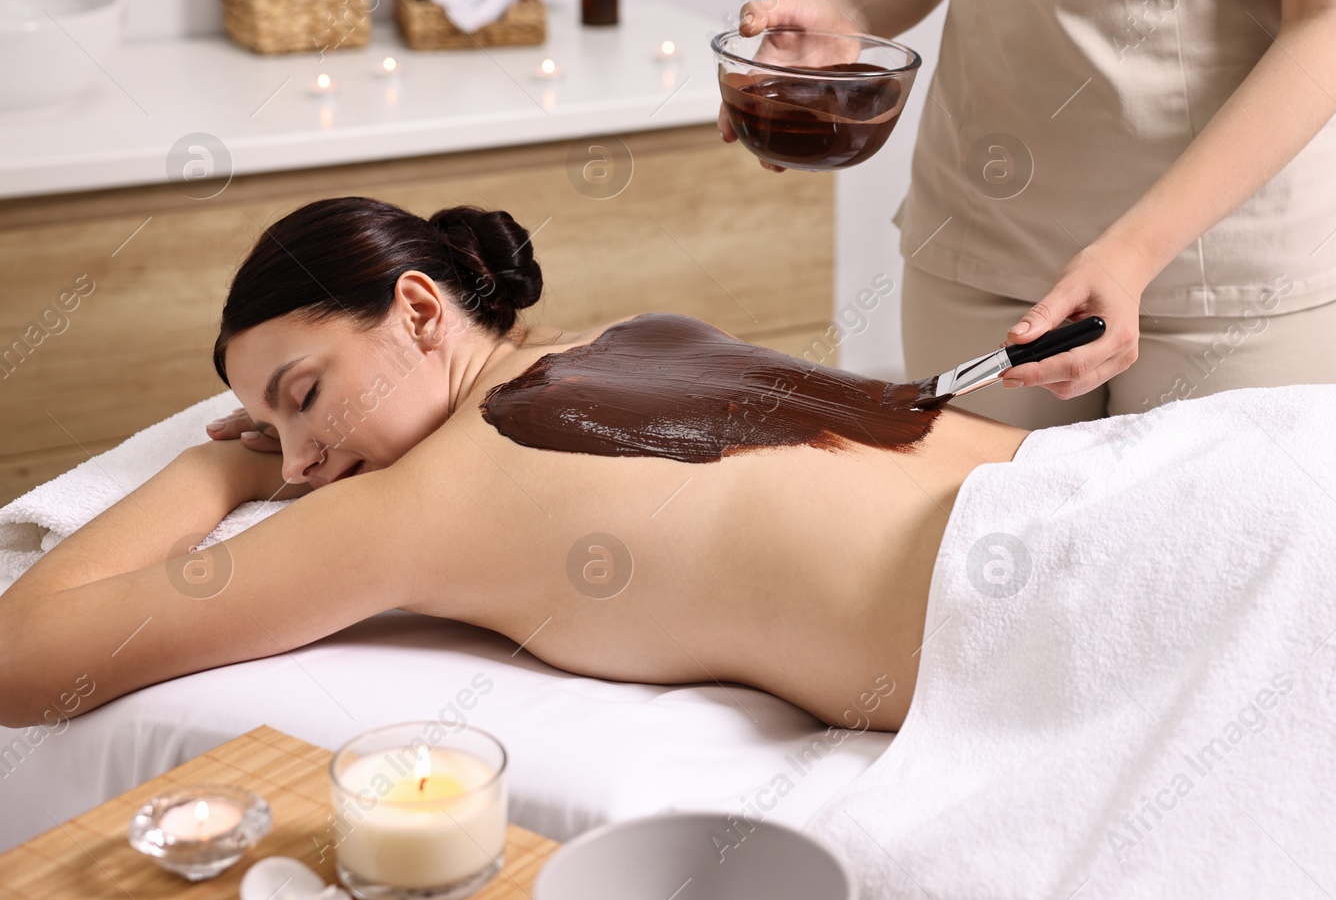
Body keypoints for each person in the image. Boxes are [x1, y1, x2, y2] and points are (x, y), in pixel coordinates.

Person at [0, 197, 1026, 733]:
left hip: (1039, 591)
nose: (301, 463)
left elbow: (21, 658)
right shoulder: (642, 331)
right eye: (265, 428)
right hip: (1095, 480)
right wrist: (280, 436)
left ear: (416, 308)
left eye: (301, 396)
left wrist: (212, 471)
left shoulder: (431, 499)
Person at [718, 0, 1336, 429]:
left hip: (1230, 267)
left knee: (1197, 572)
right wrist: (844, 7)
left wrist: (1133, 250)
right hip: (984, 236)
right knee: (971, 565)